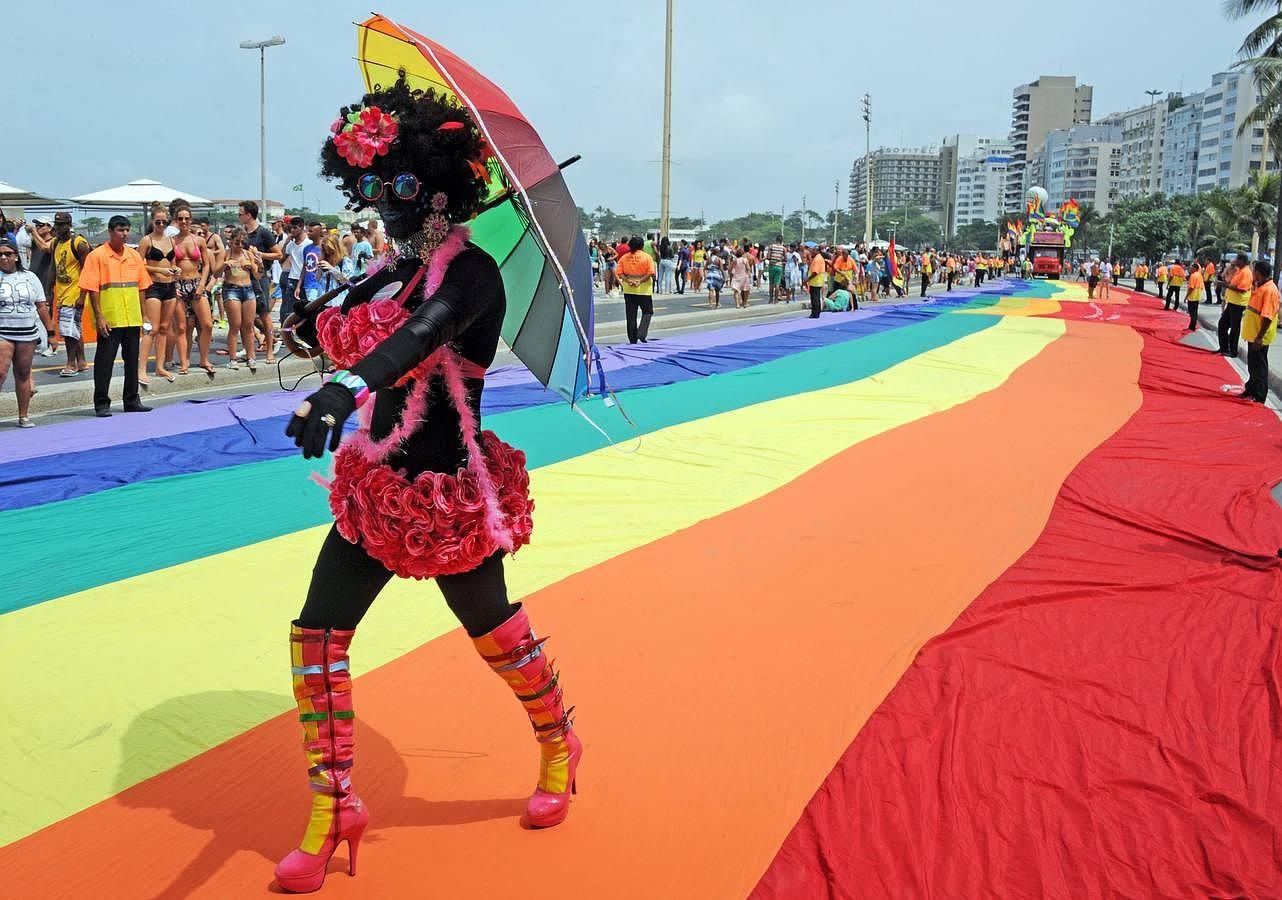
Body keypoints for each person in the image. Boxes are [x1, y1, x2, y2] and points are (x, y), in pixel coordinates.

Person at [278, 76, 576, 892]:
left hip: (446, 493)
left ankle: (558, 743)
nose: (385, 205)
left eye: (402, 187)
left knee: (492, 629)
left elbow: (423, 335)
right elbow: (378, 323)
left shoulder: (472, 272)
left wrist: (346, 387)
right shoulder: (386, 270)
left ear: (443, 189)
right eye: (373, 188)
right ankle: (332, 805)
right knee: (317, 639)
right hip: (376, 485)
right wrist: (316, 327)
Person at [79, 216, 153, 417]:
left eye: (127, 230)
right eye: (121, 230)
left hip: (131, 317)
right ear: (111, 231)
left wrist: (145, 315)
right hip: (110, 319)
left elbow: (141, 287)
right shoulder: (97, 256)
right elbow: (92, 289)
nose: (125, 234)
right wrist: (100, 317)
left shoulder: (134, 255)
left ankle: (132, 400)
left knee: (132, 361)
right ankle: (102, 403)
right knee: (104, 362)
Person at [0, 238, 52, 426]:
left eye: (8, 253)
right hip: (3, 331)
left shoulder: (29, 277)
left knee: (22, 374)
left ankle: (23, 415)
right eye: (0, 254)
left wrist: (51, 332)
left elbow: (41, 306)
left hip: (27, 332)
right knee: (1, 371)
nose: (4, 257)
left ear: (16, 256)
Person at [138, 211, 180, 385]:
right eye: (158, 222)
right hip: (153, 286)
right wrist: (159, 270)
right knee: (151, 329)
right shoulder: (147, 240)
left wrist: (175, 270)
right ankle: (141, 369)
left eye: (164, 222)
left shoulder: (170, 240)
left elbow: (172, 262)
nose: (161, 225)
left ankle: (160, 366)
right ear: (152, 222)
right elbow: (139, 264)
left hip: (169, 286)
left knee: (164, 328)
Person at [238, 201, 283, 362]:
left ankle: (271, 348)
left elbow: (278, 254)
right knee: (244, 318)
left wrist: (260, 255)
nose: (239, 216)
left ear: (248, 215)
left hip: (260, 278)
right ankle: (248, 350)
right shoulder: (242, 233)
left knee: (264, 315)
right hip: (243, 278)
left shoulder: (263, 233)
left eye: (240, 214)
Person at [51, 212, 92, 378]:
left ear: (69, 225)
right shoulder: (56, 243)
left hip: (74, 293)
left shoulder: (79, 243)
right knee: (74, 329)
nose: (58, 228)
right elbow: (53, 268)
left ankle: (70, 364)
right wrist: (48, 291)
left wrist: (82, 296)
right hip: (62, 293)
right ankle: (81, 362)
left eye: (61, 225)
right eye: (56, 224)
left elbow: (88, 270)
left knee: (68, 331)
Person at [221, 228, 263, 370]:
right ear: (231, 241)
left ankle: (250, 357)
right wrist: (225, 265)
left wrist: (254, 266)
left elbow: (258, 275)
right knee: (235, 325)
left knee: (249, 325)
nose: (239, 245)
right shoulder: (226, 254)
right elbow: (215, 272)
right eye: (237, 242)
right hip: (231, 289)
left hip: (248, 289)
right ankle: (233, 359)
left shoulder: (248, 254)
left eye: (242, 242)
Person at [1240, 260, 1278, 403]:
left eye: (1254, 271)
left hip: (1259, 336)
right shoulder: (1261, 286)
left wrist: (1259, 337)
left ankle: (1259, 395)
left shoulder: (1269, 290)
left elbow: (1267, 317)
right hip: (1253, 334)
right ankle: (1251, 388)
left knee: (1259, 366)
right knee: (1253, 365)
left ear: (1258, 273)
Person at [617, 235, 656, 342]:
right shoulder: (647, 257)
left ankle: (632, 339)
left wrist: (628, 280)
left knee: (631, 315)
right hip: (643, 290)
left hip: (629, 289)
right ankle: (642, 333)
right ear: (642, 245)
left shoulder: (624, 257)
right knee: (648, 311)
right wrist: (640, 281)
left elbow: (620, 273)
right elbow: (650, 273)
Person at [1218, 254, 1253, 358]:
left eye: (1237, 259)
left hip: (1238, 303)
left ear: (1241, 260)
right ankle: (1224, 348)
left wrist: (1224, 285)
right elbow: (1233, 283)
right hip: (1233, 302)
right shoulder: (1240, 271)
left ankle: (1232, 351)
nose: (1235, 260)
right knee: (1223, 324)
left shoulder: (1246, 272)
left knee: (1234, 328)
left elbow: (1242, 289)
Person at [805, 245, 827, 319]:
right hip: (817, 281)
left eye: (813, 251)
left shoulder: (817, 259)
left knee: (814, 298)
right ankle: (816, 312)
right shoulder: (819, 258)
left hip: (815, 281)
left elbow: (815, 272)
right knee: (816, 297)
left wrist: (808, 279)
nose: (811, 253)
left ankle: (815, 313)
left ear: (817, 251)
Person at [1185, 261, 1204, 331]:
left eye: (1191, 268)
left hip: (1193, 295)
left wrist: (1186, 296)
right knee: (1195, 311)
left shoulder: (1193, 276)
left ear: (1195, 268)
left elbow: (1191, 287)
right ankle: (1192, 325)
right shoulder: (1199, 275)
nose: (1190, 269)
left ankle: (1192, 326)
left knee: (1191, 311)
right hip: (1198, 295)